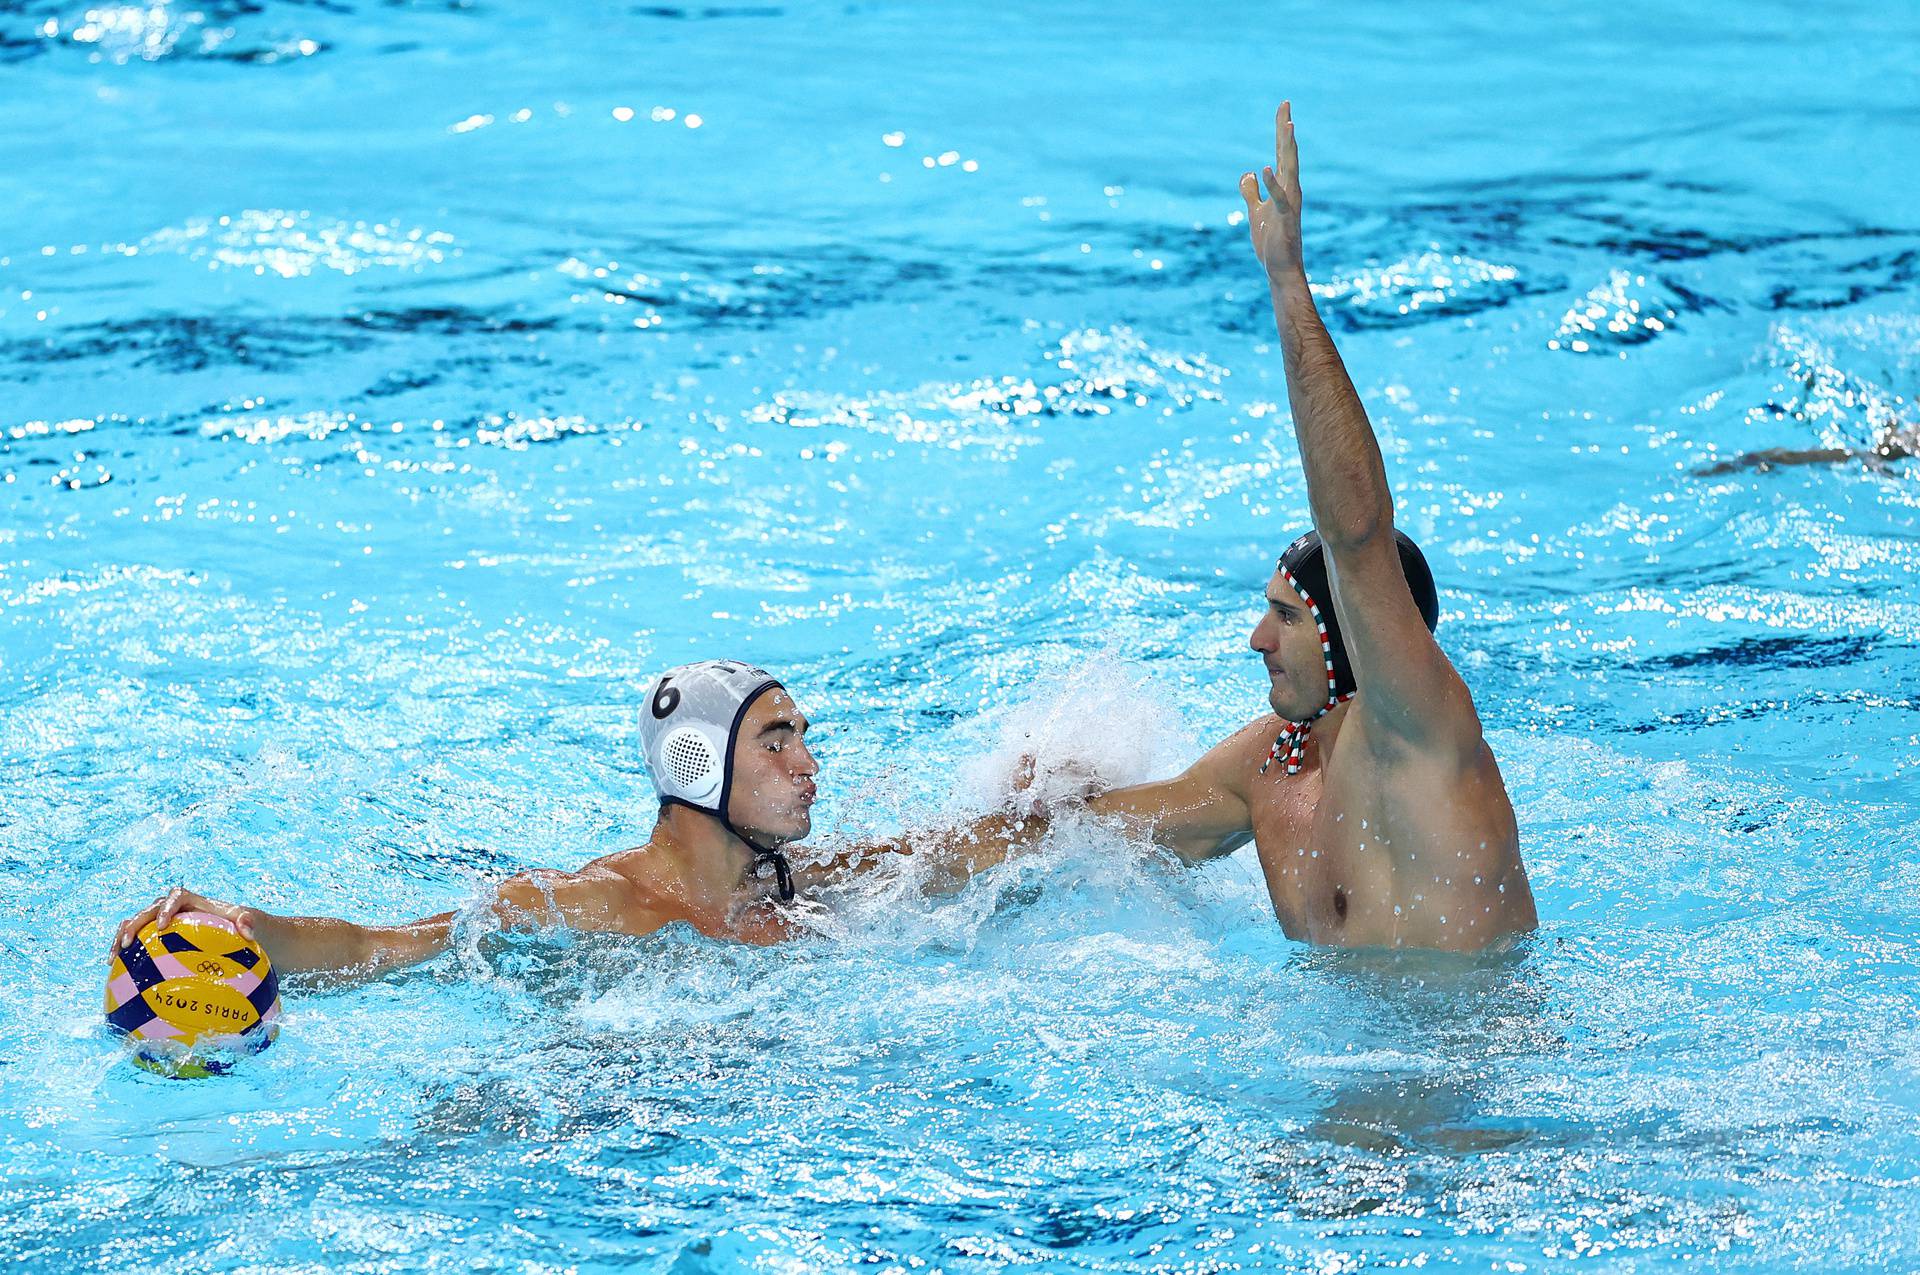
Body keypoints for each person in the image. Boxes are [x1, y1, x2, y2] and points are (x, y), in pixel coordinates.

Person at [1081, 102, 1536, 952]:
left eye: (1287, 614)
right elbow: (1077, 839)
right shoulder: (1273, 765)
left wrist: (1287, 284)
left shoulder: (1418, 728)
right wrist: (844, 875)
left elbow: (1357, 533)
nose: (1257, 637)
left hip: (1477, 1069)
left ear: (1354, 634)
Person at [111, 661, 1045, 982]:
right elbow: (391, 945)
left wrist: (1042, 802)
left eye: (803, 736)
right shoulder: (590, 904)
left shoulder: (809, 888)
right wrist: (257, 931)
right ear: (699, 763)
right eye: (775, 740)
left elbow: (968, 848)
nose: (808, 762)